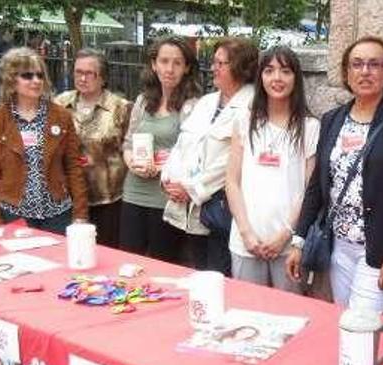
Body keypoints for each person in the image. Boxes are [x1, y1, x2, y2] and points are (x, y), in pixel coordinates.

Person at [286, 35, 383, 313]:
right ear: (346, 73)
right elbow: (317, 185)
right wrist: (299, 240)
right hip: (338, 245)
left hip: (379, 248)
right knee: (344, 319)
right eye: (357, 64)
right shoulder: (332, 119)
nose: (365, 71)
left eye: (374, 64)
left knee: (360, 324)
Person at [225, 46, 319, 292]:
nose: (277, 78)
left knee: (291, 318)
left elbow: (310, 190)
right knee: (247, 314)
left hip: (288, 247)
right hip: (246, 241)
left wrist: (284, 235)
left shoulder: (310, 127)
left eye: (285, 71)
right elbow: (232, 181)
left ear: (296, 78)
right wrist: (246, 233)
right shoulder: (245, 121)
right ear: (260, 77)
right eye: (269, 71)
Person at [162, 37, 258, 275]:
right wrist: (169, 178)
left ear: (239, 67)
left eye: (220, 63)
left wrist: (192, 189)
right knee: (199, 272)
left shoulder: (252, 106)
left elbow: (229, 161)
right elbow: (183, 144)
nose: (213, 68)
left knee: (219, 275)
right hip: (189, 208)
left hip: (219, 210)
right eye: (214, 62)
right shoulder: (206, 102)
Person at [0, 47, 87, 233]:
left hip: (57, 212)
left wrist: (80, 215)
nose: (36, 81)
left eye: (39, 75)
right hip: (14, 213)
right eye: (27, 76)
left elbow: (73, 166)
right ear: (12, 81)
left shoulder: (61, 116)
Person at [121, 37, 202, 261]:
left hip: (165, 199)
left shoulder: (193, 106)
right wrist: (133, 164)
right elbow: (128, 143)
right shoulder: (142, 101)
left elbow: (194, 156)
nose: (169, 69)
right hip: (133, 194)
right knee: (128, 262)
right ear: (154, 64)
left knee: (162, 265)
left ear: (186, 68)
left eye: (177, 63)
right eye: (164, 61)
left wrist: (159, 168)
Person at [54, 48, 130, 248]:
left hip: (109, 198)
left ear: (103, 77)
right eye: (78, 72)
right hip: (70, 196)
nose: (82, 78)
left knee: (106, 254)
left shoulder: (120, 107)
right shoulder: (60, 104)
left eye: (89, 73)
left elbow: (128, 149)